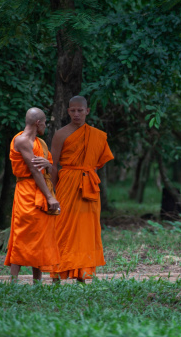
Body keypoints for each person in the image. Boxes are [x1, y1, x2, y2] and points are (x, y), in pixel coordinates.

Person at [50, 96, 114, 283]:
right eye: (73, 110)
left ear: (87, 111)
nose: (76, 114)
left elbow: (96, 162)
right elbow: (53, 165)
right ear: (68, 111)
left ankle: (83, 275)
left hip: (89, 186)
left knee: (87, 230)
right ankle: (57, 273)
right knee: (62, 228)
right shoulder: (60, 134)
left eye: (80, 110)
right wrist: (52, 192)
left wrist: (87, 175)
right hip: (67, 183)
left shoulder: (97, 135)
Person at [4, 107, 61, 283]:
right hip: (27, 191)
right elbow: (35, 171)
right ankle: (13, 281)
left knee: (40, 234)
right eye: (45, 123)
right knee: (22, 234)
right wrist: (50, 197)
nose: (46, 126)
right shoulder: (21, 141)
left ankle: (37, 281)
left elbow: (48, 168)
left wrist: (47, 163)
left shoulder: (40, 143)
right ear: (38, 123)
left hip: (42, 187)